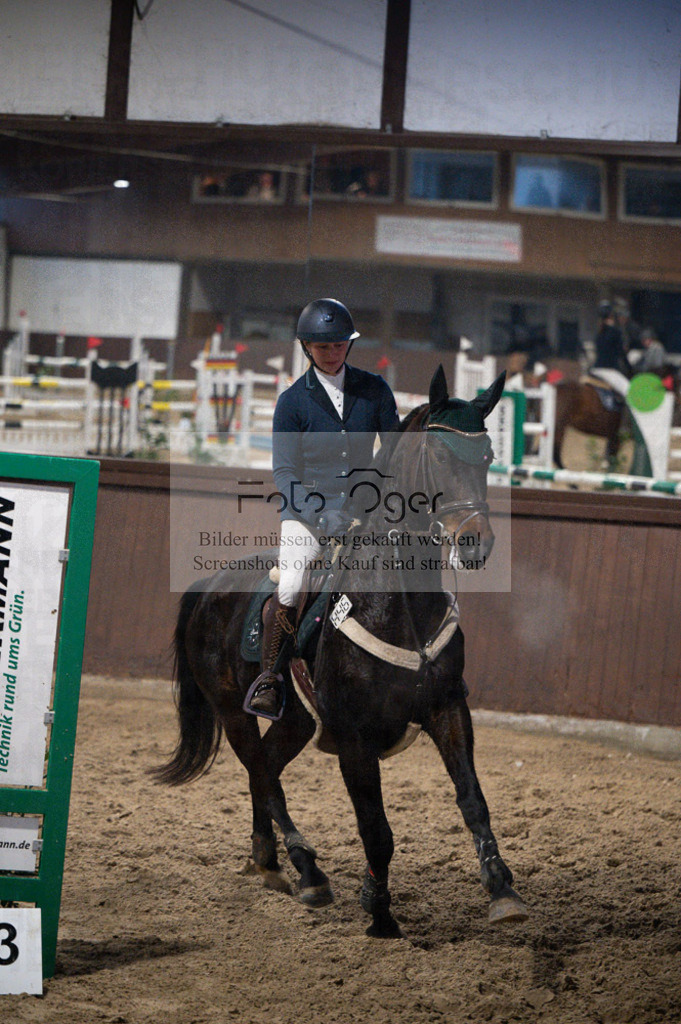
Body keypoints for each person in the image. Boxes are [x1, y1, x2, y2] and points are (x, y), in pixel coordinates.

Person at [244, 298, 399, 720]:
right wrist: (317, 514)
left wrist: (370, 502)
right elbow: (285, 471)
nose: (333, 353)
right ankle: (271, 680)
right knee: (293, 585)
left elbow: (395, 455)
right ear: (307, 348)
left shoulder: (375, 390)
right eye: (323, 346)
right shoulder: (292, 402)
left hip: (364, 512)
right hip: (306, 515)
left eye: (339, 345)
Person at [590, 300, 632, 396]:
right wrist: (630, 368)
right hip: (609, 371)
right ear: (611, 315)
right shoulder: (615, 332)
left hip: (596, 369)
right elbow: (621, 354)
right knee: (629, 392)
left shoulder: (599, 333)